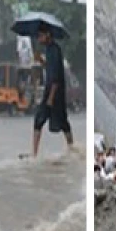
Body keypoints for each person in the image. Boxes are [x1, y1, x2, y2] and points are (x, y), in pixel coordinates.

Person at [32, 23, 73, 157]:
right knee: (39, 119)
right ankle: (34, 153)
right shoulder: (49, 50)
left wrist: (51, 97)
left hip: (55, 92)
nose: (39, 39)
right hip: (50, 90)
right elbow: (49, 68)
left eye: (40, 36)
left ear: (48, 35)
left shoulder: (55, 50)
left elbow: (55, 76)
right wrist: (41, 61)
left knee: (62, 121)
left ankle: (71, 148)